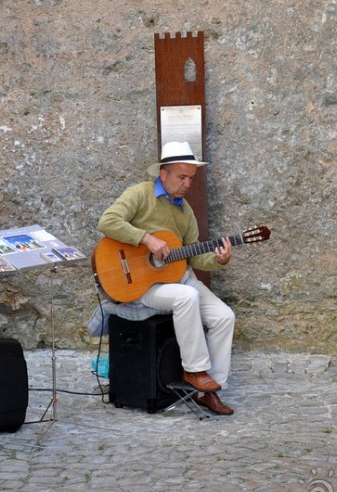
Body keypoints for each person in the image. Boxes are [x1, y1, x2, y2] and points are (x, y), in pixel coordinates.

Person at [97, 141, 235, 415]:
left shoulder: (185, 212)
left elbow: (194, 255)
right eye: (181, 177)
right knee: (187, 297)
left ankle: (209, 390)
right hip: (141, 285)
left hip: (178, 278)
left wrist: (219, 260)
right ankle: (195, 371)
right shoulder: (139, 194)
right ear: (163, 174)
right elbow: (107, 221)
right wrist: (146, 239)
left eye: (191, 179)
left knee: (224, 317)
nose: (187, 184)